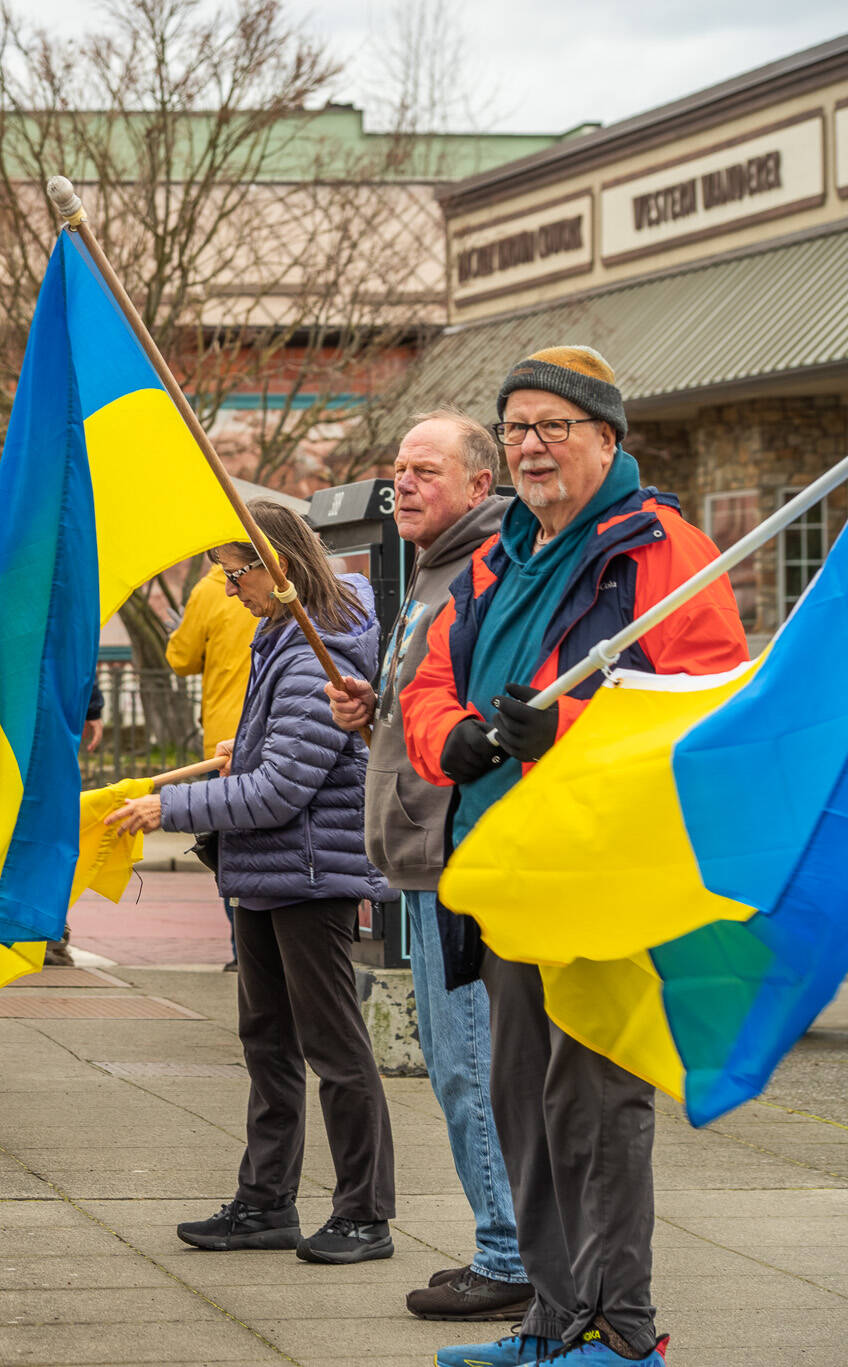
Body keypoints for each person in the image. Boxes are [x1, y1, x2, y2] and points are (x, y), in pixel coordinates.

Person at [401, 349, 747, 1367]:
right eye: (515, 427)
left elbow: (710, 708)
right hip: (505, 872)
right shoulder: (493, 560)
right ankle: (552, 1321)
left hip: (602, 875)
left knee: (595, 1103)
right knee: (523, 1102)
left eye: (552, 425)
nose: (530, 446)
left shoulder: (664, 552)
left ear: (606, 437)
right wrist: (454, 738)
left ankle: (621, 1330)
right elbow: (427, 683)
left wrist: (569, 729)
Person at [108, 500, 396, 1266]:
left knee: (334, 1047)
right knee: (267, 1041)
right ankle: (266, 1201)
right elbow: (283, 758)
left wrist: (167, 806)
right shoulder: (283, 637)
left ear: (279, 568)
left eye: (235, 575)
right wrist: (251, 742)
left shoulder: (315, 647)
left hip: (309, 873)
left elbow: (279, 791)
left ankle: (364, 1212)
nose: (230, 590)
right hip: (271, 869)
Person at [323, 410, 530, 1322]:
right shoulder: (432, 568)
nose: (403, 483)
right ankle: (503, 1242)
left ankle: (509, 1253)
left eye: (426, 470)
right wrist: (374, 707)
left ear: (480, 484)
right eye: (399, 468)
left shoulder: (484, 570)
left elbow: (479, 725)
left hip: (455, 858)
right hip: (419, 854)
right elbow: (429, 709)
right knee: (457, 1063)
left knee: (469, 1065)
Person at [0, 476, 102, 967]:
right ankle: (42, 931)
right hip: (40, 707)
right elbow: (75, 631)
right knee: (42, 815)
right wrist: (90, 706)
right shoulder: (50, 551)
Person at [164, 563, 256, 971]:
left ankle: (243, 953)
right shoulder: (286, 579)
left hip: (223, 740)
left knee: (228, 849)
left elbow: (181, 658)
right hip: (275, 728)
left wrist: (180, 634)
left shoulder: (210, 588)